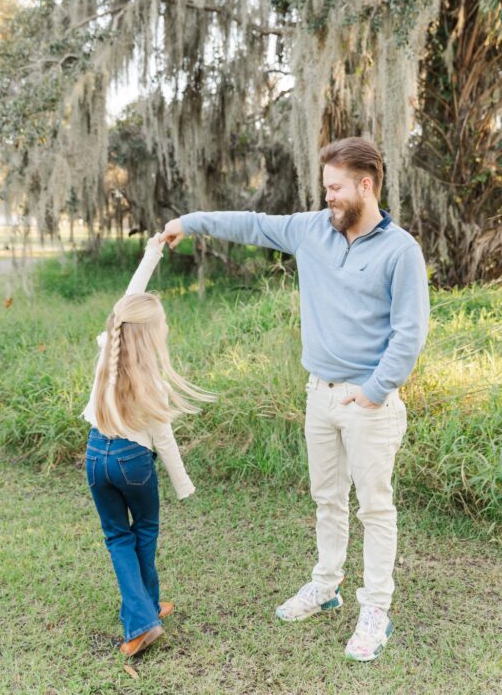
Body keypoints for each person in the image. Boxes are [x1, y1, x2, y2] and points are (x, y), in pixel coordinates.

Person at [160, 137, 430, 662]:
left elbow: (409, 333)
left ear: (366, 185)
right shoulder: (311, 231)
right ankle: (325, 585)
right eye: (324, 187)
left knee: (374, 507)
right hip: (318, 395)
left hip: (368, 402)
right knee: (326, 497)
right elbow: (252, 223)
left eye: (335, 188)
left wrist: (373, 394)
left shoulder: (401, 251)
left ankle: (375, 609)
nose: (327, 197)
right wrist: (188, 221)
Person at [82, 233, 215, 657]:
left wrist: (151, 254)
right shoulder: (150, 379)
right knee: (143, 532)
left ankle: (149, 609)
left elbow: (128, 301)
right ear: (152, 335)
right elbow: (164, 439)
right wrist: (183, 483)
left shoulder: (109, 353)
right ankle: (142, 621)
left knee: (117, 536)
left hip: (95, 456)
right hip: (132, 462)